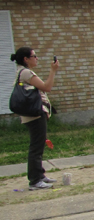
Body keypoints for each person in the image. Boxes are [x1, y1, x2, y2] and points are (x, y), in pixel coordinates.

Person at [10, 47, 59, 190]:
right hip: (35, 115)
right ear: (26, 59)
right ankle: (35, 180)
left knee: (38, 145)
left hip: (32, 115)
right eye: (34, 56)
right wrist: (53, 70)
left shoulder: (22, 72)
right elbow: (46, 87)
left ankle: (40, 175)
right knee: (36, 147)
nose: (36, 58)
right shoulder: (25, 72)